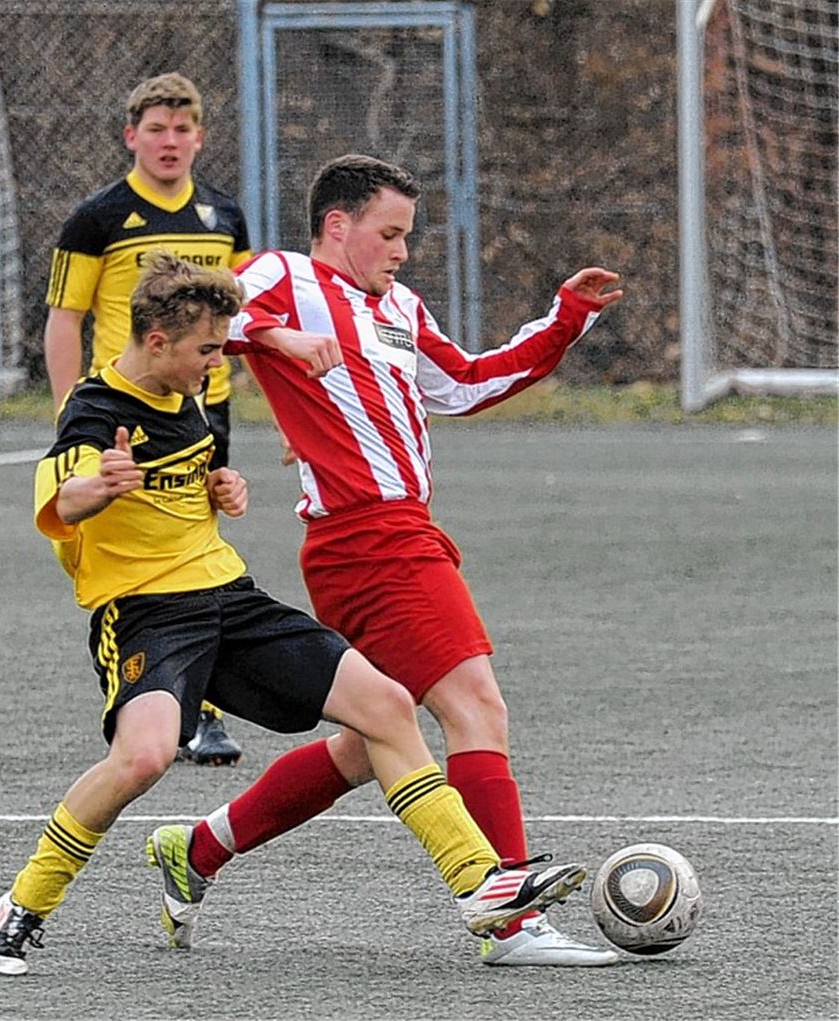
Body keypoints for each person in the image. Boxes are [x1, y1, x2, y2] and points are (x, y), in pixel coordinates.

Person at [0, 250, 590, 977]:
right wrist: (99, 486)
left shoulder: (190, 396)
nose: (219, 365)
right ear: (155, 342)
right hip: (146, 615)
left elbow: (182, 480)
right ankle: (23, 905)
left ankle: (480, 886)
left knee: (387, 705)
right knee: (143, 757)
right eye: (208, 351)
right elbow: (60, 496)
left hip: (229, 598)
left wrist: (219, 487)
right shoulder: (95, 409)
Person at [150, 154, 625, 967]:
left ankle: (198, 846)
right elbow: (189, 312)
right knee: (477, 704)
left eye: (407, 234)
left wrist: (565, 319)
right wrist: (274, 334)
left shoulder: (400, 306)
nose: (403, 250)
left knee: (373, 736)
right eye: (390, 233)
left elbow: (466, 383)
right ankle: (510, 918)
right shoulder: (281, 274)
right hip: (368, 540)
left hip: (399, 531)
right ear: (339, 226)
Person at [42, 70, 247, 765]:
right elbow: (64, 319)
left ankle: (202, 704)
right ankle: (143, 681)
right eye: (155, 129)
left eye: (182, 128)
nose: (169, 141)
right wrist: (72, 408)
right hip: (121, 416)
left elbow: (244, 320)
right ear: (131, 137)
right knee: (120, 544)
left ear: (200, 137)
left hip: (203, 406)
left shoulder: (224, 216)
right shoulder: (96, 218)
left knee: (203, 542)